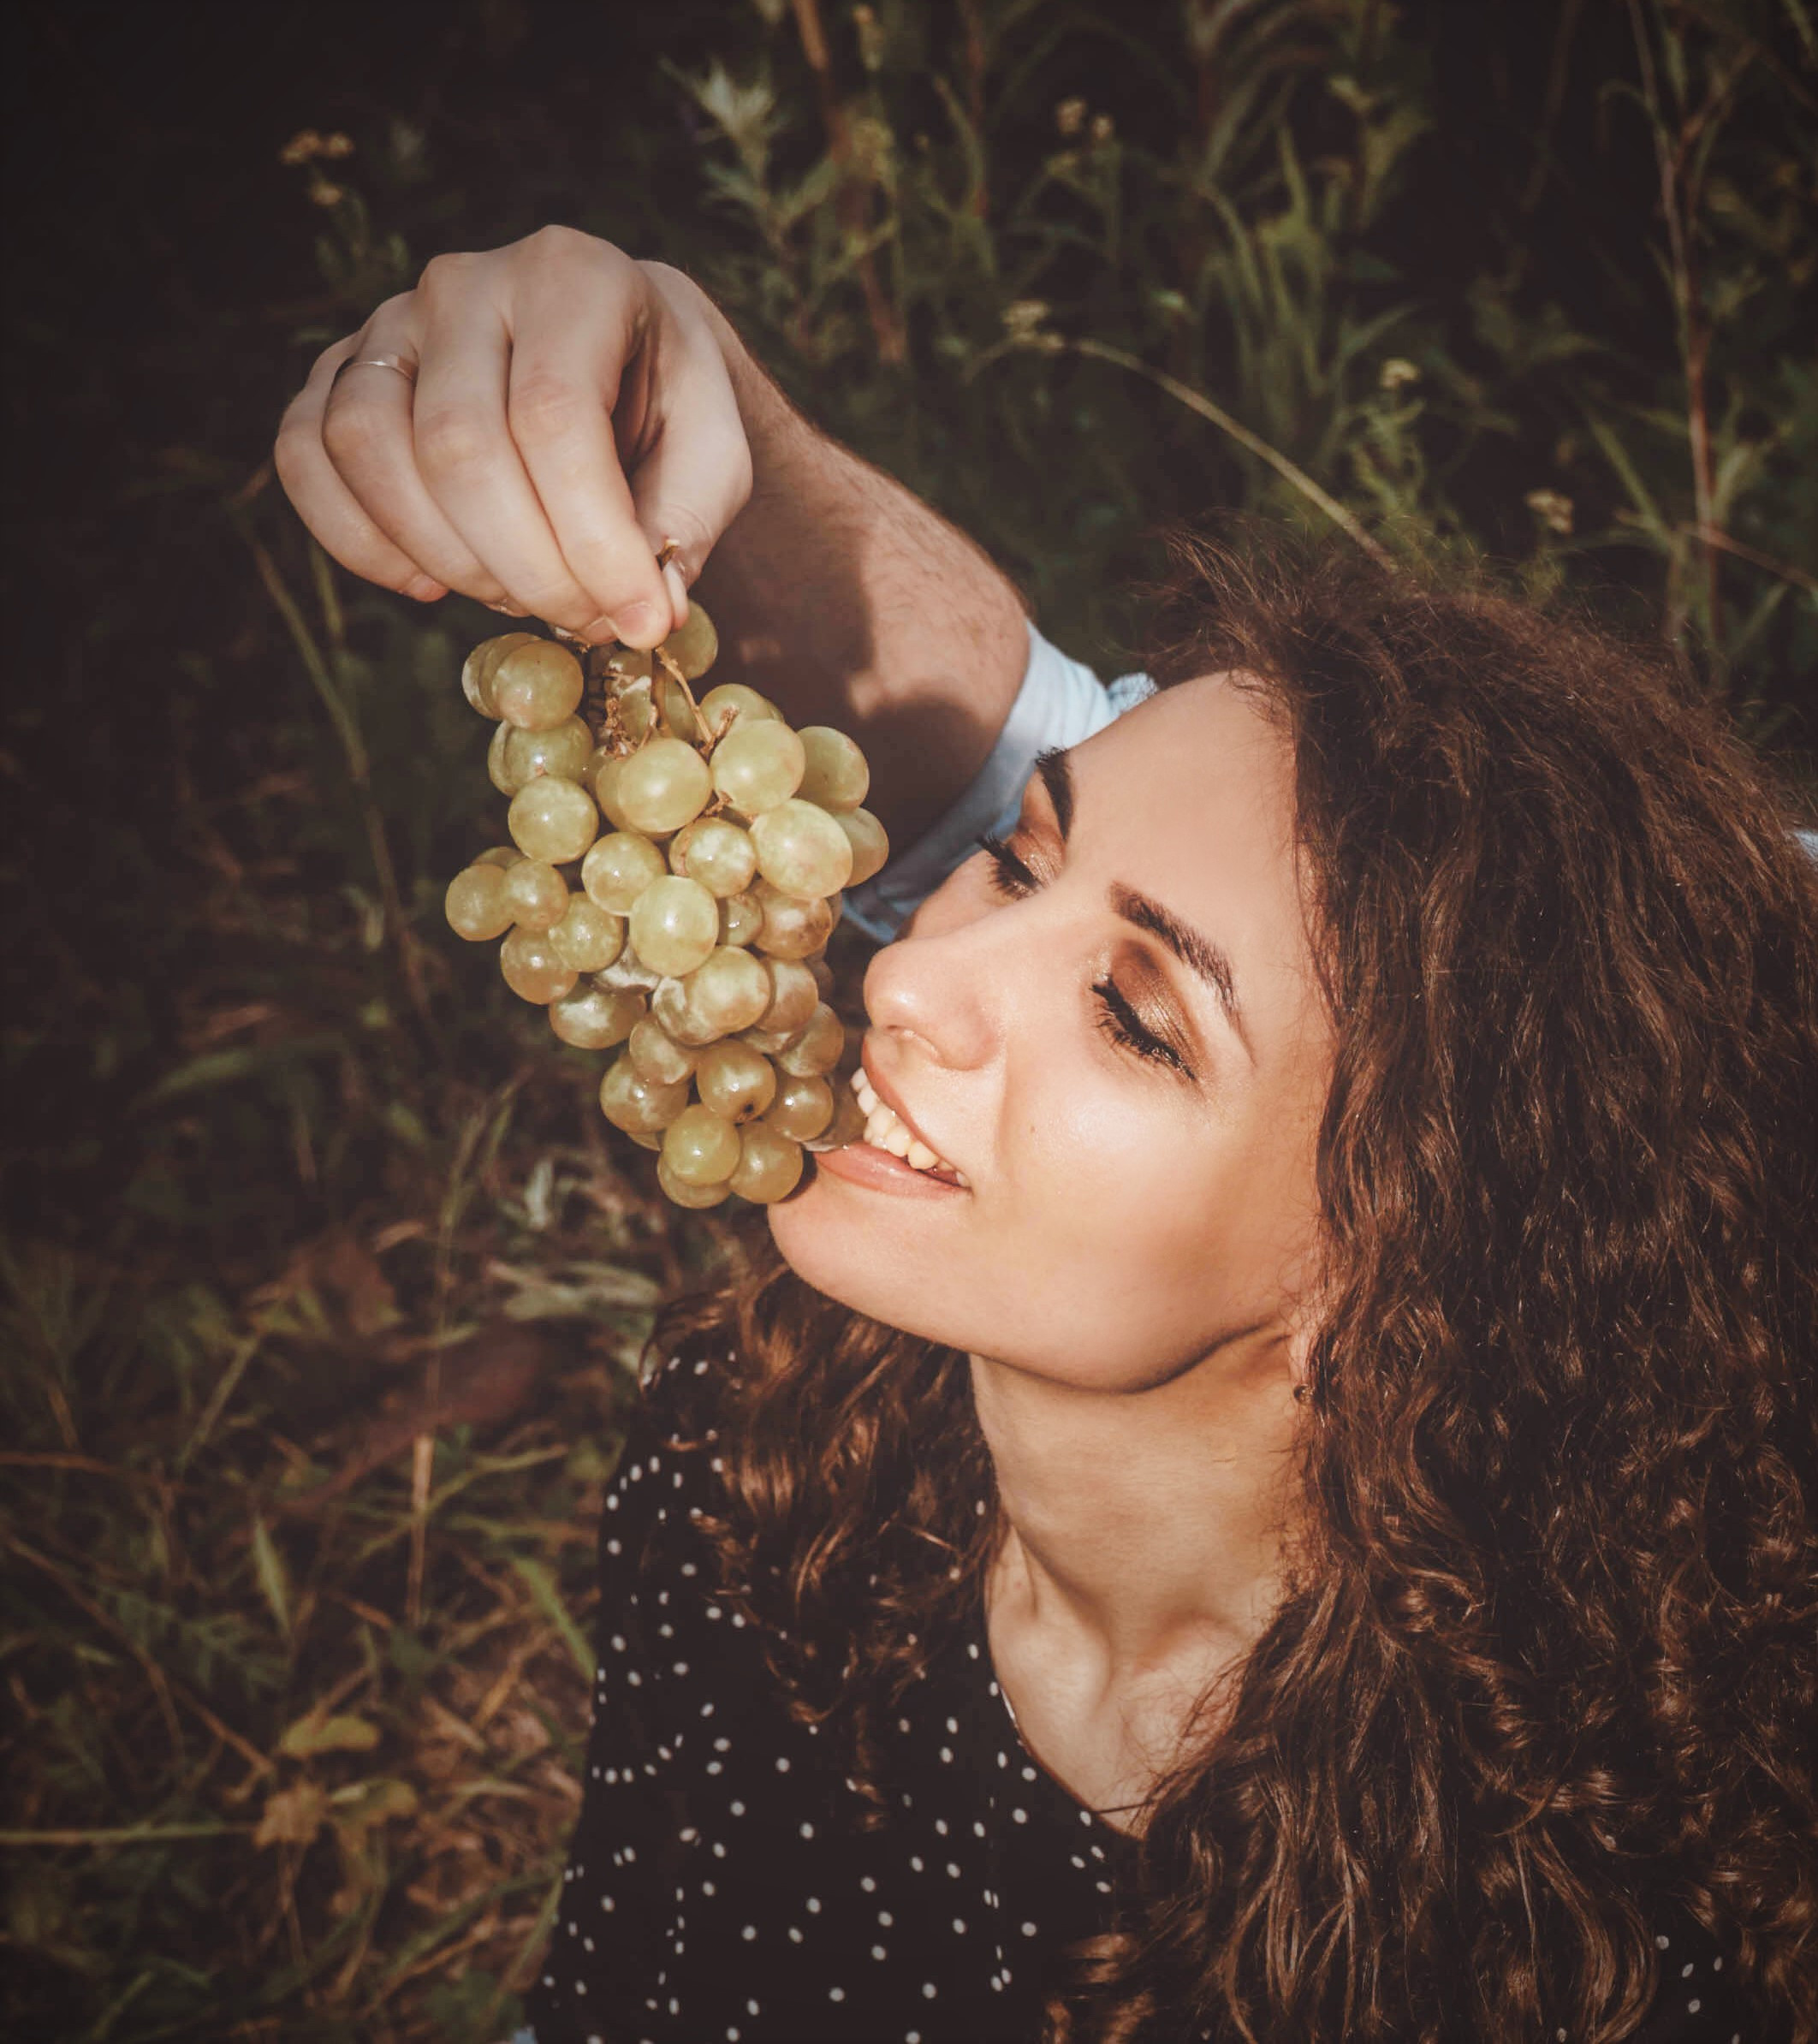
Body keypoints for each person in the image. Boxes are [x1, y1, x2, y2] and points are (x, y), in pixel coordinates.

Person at [276, 229, 1818, 2044]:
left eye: (1133, 1014)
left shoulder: (1577, 1945)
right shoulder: (736, 1462)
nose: (914, 964)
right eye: (1022, 855)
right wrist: (664, 373)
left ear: (1408, 1257)